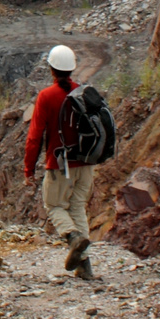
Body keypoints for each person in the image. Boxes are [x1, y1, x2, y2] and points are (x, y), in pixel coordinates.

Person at [23, 44, 95, 279]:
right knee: (77, 208)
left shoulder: (46, 96)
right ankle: (85, 267)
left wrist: (28, 169)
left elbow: (34, 137)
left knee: (54, 206)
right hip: (85, 163)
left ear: (52, 69)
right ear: (72, 69)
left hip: (59, 165)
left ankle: (73, 238)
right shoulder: (83, 92)